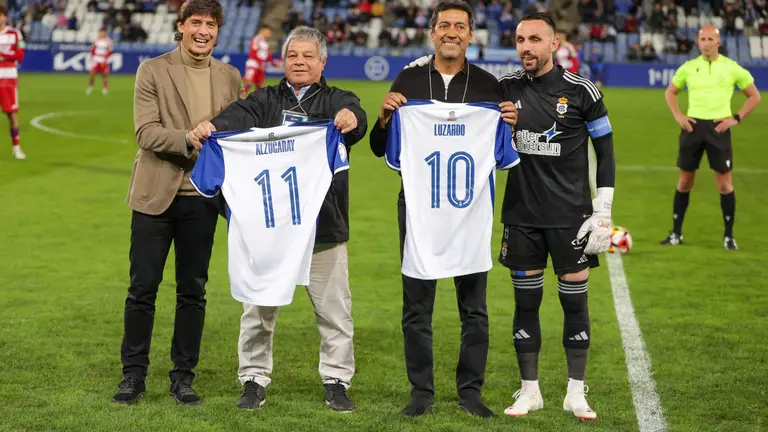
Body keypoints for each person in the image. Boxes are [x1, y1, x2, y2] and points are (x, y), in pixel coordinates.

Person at [189, 25, 367, 413]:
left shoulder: (338, 100)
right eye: (292, 56)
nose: (299, 62)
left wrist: (351, 119)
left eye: (307, 56)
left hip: (324, 228)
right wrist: (212, 128)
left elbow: (357, 116)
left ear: (322, 62)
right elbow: (233, 118)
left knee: (335, 312)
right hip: (269, 231)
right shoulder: (264, 100)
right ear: (282, 61)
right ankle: (253, 378)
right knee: (258, 308)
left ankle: (336, 380)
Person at [368, 0, 518, 418]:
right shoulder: (410, 80)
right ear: (432, 33)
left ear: (471, 35)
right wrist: (384, 118)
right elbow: (382, 150)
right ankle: (421, 392)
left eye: (460, 26)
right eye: (444, 26)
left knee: (474, 307)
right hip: (417, 208)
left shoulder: (490, 87)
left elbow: (506, 153)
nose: (452, 32)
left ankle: (470, 391)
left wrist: (511, 123)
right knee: (416, 304)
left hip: (471, 211)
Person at [112, 0, 243, 406]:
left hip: (203, 199)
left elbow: (240, 131)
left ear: (217, 31)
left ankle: (183, 376)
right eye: (196, 23)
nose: (203, 31)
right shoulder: (152, 69)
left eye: (210, 24)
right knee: (142, 289)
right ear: (181, 26)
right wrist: (190, 138)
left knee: (193, 291)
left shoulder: (230, 76)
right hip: (155, 196)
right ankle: (133, 376)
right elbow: (146, 133)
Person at [496, 12, 615, 421]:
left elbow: (607, 151)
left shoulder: (582, 91)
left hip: (571, 217)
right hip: (522, 215)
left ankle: (575, 393)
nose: (526, 47)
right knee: (525, 304)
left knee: (575, 306)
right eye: (519, 39)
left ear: (554, 42)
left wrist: (603, 209)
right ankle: (530, 391)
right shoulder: (505, 88)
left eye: (534, 39)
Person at [660, 25, 761, 250]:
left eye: (710, 39)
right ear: (698, 42)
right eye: (702, 39)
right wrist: (678, 115)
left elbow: (754, 96)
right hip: (693, 127)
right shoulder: (688, 67)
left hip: (719, 128)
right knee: (685, 181)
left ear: (718, 42)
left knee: (724, 184)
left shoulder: (731, 68)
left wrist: (736, 118)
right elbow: (670, 92)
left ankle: (728, 236)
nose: (706, 43)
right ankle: (676, 234)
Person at [0, 6, 25, 160]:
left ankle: (16, 148)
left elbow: (20, 55)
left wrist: (2, 54)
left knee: (11, 114)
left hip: (8, 78)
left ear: (5, 17)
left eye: (1, 15)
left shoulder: (15, 34)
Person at [244, 25, 280, 93]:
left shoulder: (265, 42)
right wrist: (260, 64)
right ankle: (240, 99)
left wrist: (274, 63)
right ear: (263, 31)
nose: (269, 34)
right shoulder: (256, 39)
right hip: (253, 64)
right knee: (249, 83)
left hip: (261, 65)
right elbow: (253, 52)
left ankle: (256, 101)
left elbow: (268, 55)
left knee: (259, 85)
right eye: (268, 32)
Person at [87, 27, 113, 95]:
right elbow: (93, 49)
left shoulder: (108, 41)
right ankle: (90, 87)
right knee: (92, 74)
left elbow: (110, 51)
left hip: (103, 60)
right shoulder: (96, 40)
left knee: (105, 75)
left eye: (103, 32)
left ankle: (105, 88)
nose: (102, 33)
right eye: (101, 32)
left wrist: (105, 58)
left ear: (105, 32)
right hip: (96, 59)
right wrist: (92, 57)